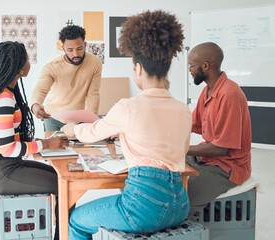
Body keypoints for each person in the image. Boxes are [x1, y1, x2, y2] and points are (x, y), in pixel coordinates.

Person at [61, 10, 192, 239]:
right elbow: (176, 150)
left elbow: (91, 133)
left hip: (143, 208)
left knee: (76, 221)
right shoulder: (183, 109)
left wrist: (73, 129)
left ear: (138, 69)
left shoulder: (129, 106)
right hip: (179, 205)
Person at [0, 41, 68, 240]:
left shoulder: (2, 92)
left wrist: (40, 142)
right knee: (65, 186)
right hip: (4, 172)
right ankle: (64, 236)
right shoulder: (4, 97)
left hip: (6, 167)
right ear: (20, 68)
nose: (29, 63)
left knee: (62, 178)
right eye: (27, 59)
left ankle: (62, 234)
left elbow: (6, 141)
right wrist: (47, 144)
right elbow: (8, 148)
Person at [186, 42, 251, 221]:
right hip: (211, 158)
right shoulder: (208, 90)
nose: (189, 70)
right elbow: (191, 123)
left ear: (205, 66)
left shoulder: (230, 94)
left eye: (191, 65)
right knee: (164, 165)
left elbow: (220, 149)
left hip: (228, 167)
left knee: (182, 195)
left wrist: (181, 148)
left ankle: (186, 224)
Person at [31, 25, 102, 131]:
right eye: (70, 50)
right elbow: (41, 89)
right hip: (53, 118)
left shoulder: (95, 63)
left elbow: (93, 94)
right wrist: (35, 106)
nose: (75, 54)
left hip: (79, 118)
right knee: (53, 147)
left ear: (85, 45)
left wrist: (91, 120)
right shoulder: (52, 67)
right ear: (63, 48)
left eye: (79, 48)